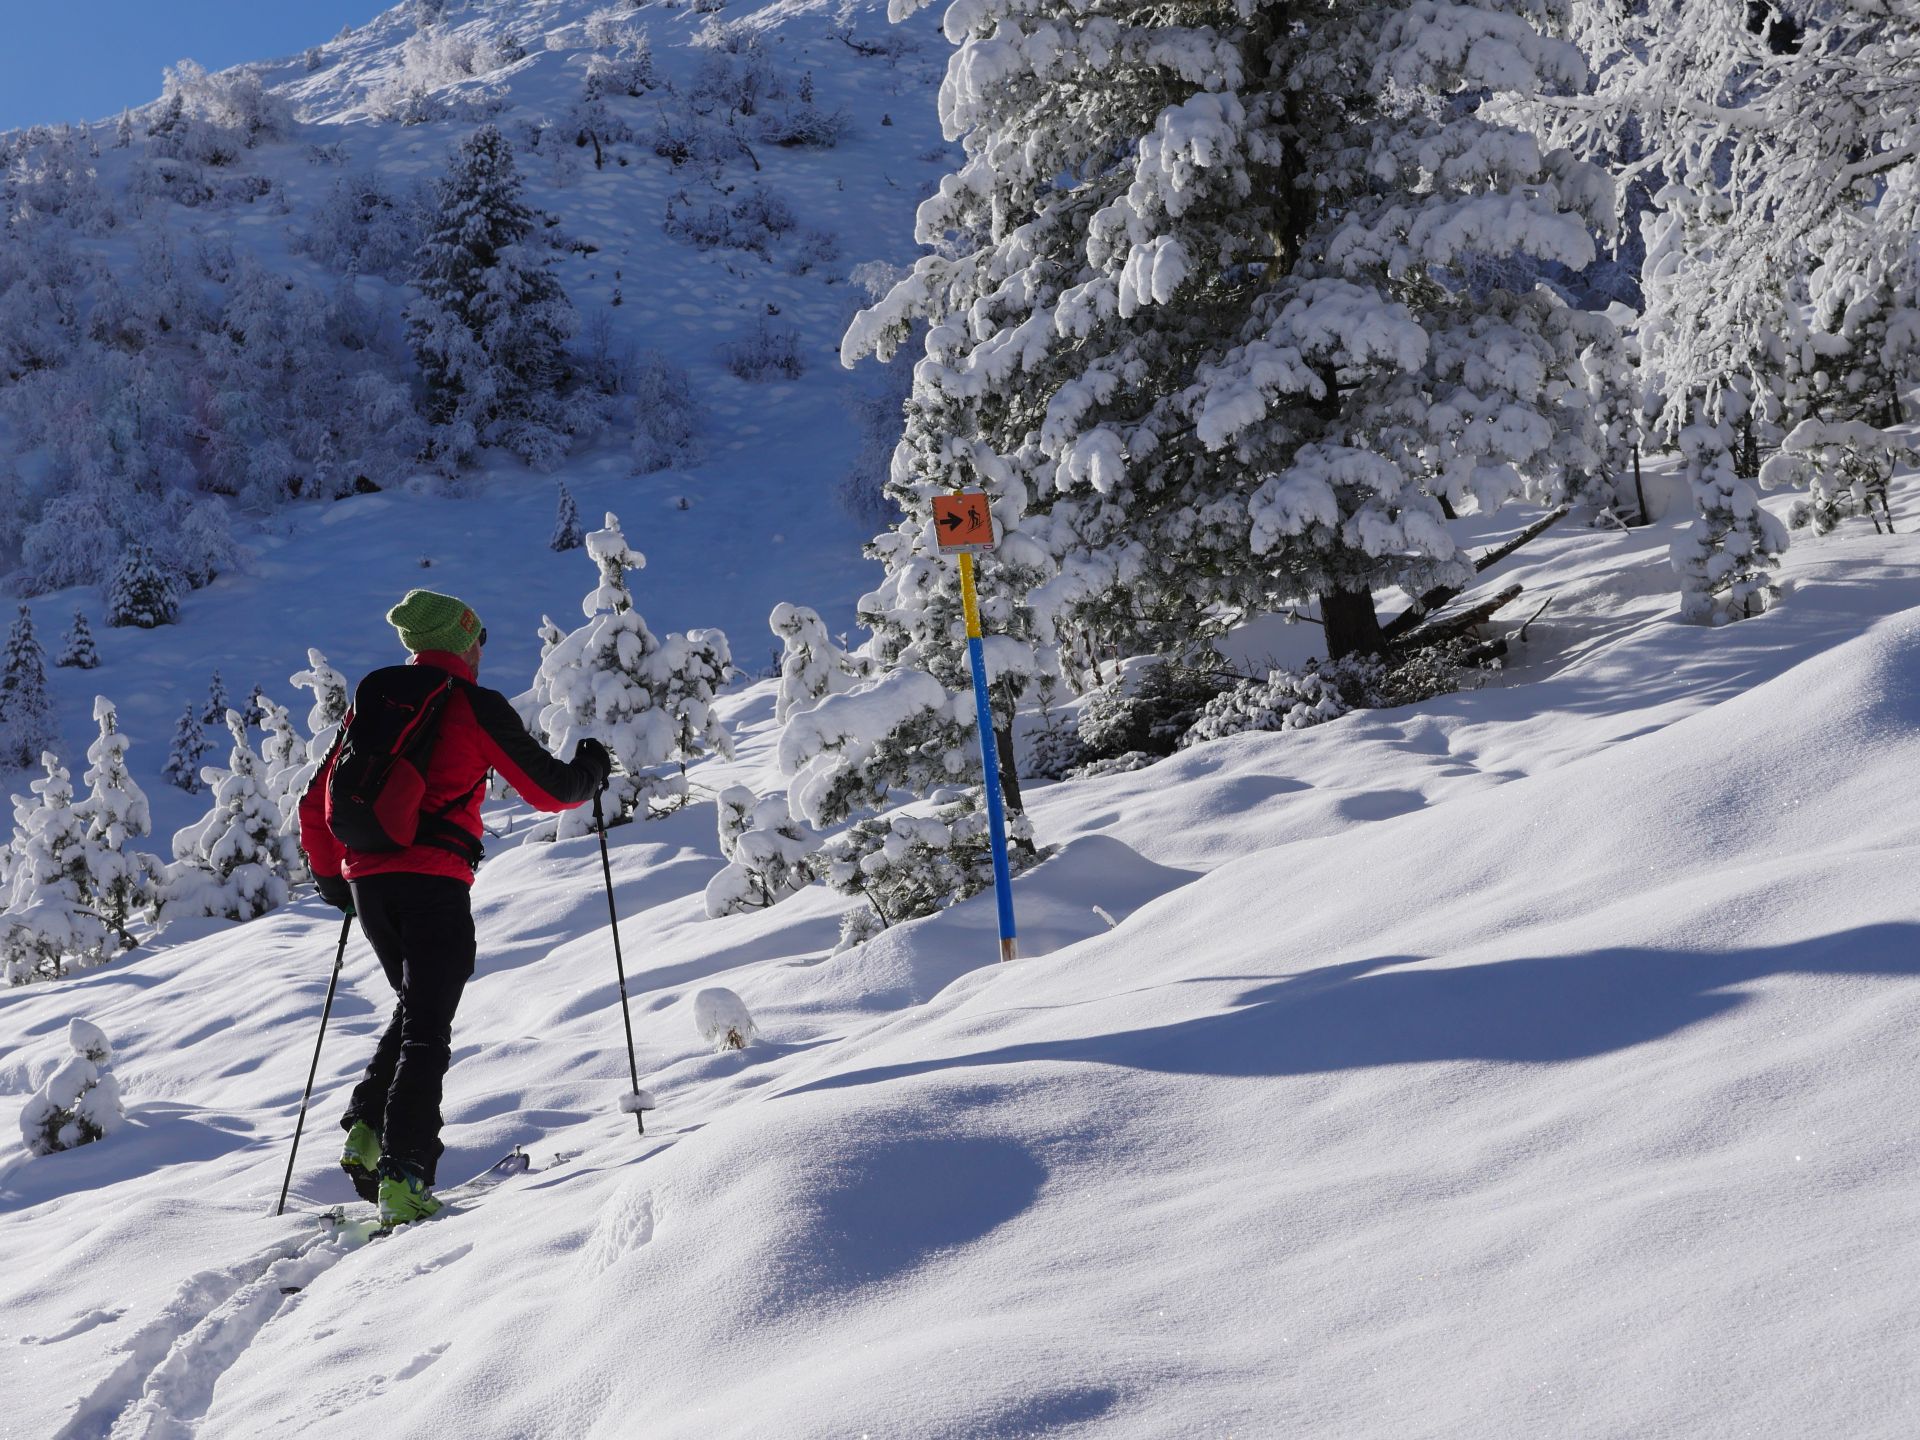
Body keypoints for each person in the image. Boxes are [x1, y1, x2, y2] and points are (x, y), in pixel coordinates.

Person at [298, 590, 611, 1224]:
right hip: (433, 878)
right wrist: (591, 772)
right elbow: (549, 792)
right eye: (479, 638)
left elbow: (314, 804)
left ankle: (366, 1131)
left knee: (419, 1006)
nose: (481, 649)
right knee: (427, 1028)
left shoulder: (373, 704)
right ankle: (406, 1173)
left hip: (368, 880)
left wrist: (339, 884)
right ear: (464, 640)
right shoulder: (471, 705)